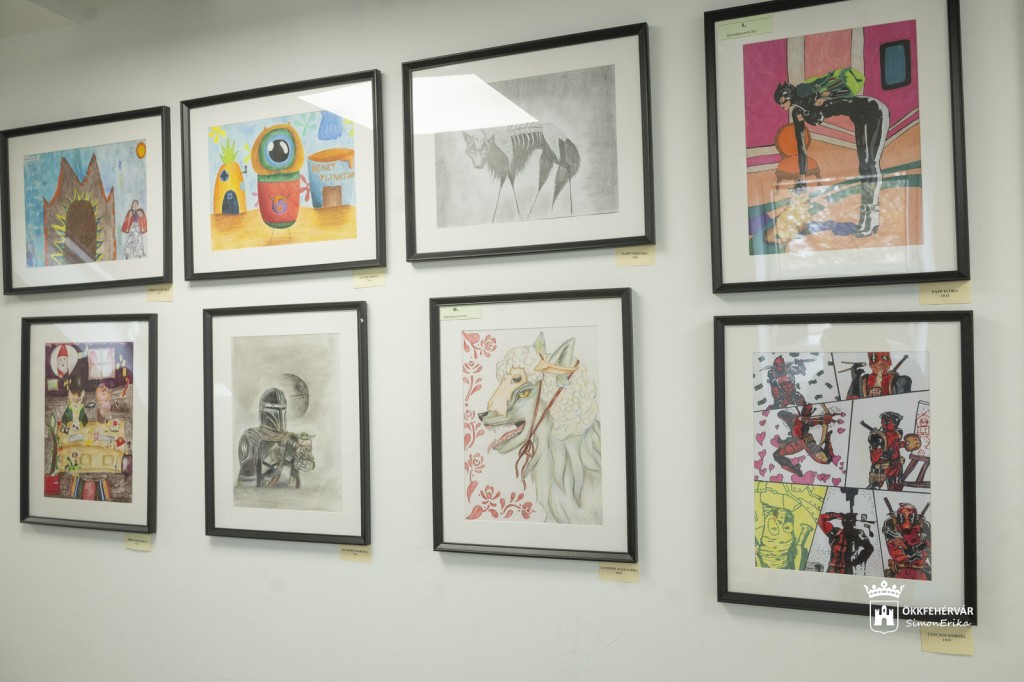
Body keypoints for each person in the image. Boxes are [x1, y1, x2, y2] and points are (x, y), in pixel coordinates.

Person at [774, 67, 890, 237]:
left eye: (781, 102)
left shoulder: (809, 93)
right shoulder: (798, 111)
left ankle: (872, 218)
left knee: (870, 164)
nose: (781, 106)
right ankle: (866, 219)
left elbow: (832, 101)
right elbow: (801, 146)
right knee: (863, 167)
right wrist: (802, 176)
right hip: (858, 116)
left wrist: (823, 97)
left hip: (873, 110)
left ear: (787, 96)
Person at [237, 388, 315, 488]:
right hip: (262, 496)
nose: (279, 414)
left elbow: (304, 465)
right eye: (274, 410)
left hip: (291, 495)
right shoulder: (251, 437)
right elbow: (246, 483)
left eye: (282, 409)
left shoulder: (293, 439)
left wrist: (306, 461)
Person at [818, 510, 874, 574]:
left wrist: (856, 562)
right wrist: (839, 515)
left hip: (847, 570)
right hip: (832, 569)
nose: (847, 523)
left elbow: (869, 548)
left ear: (854, 522)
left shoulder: (858, 534)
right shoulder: (836, 532)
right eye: (845, 520)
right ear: (842, 521)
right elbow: (820, 519)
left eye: (851, 521)